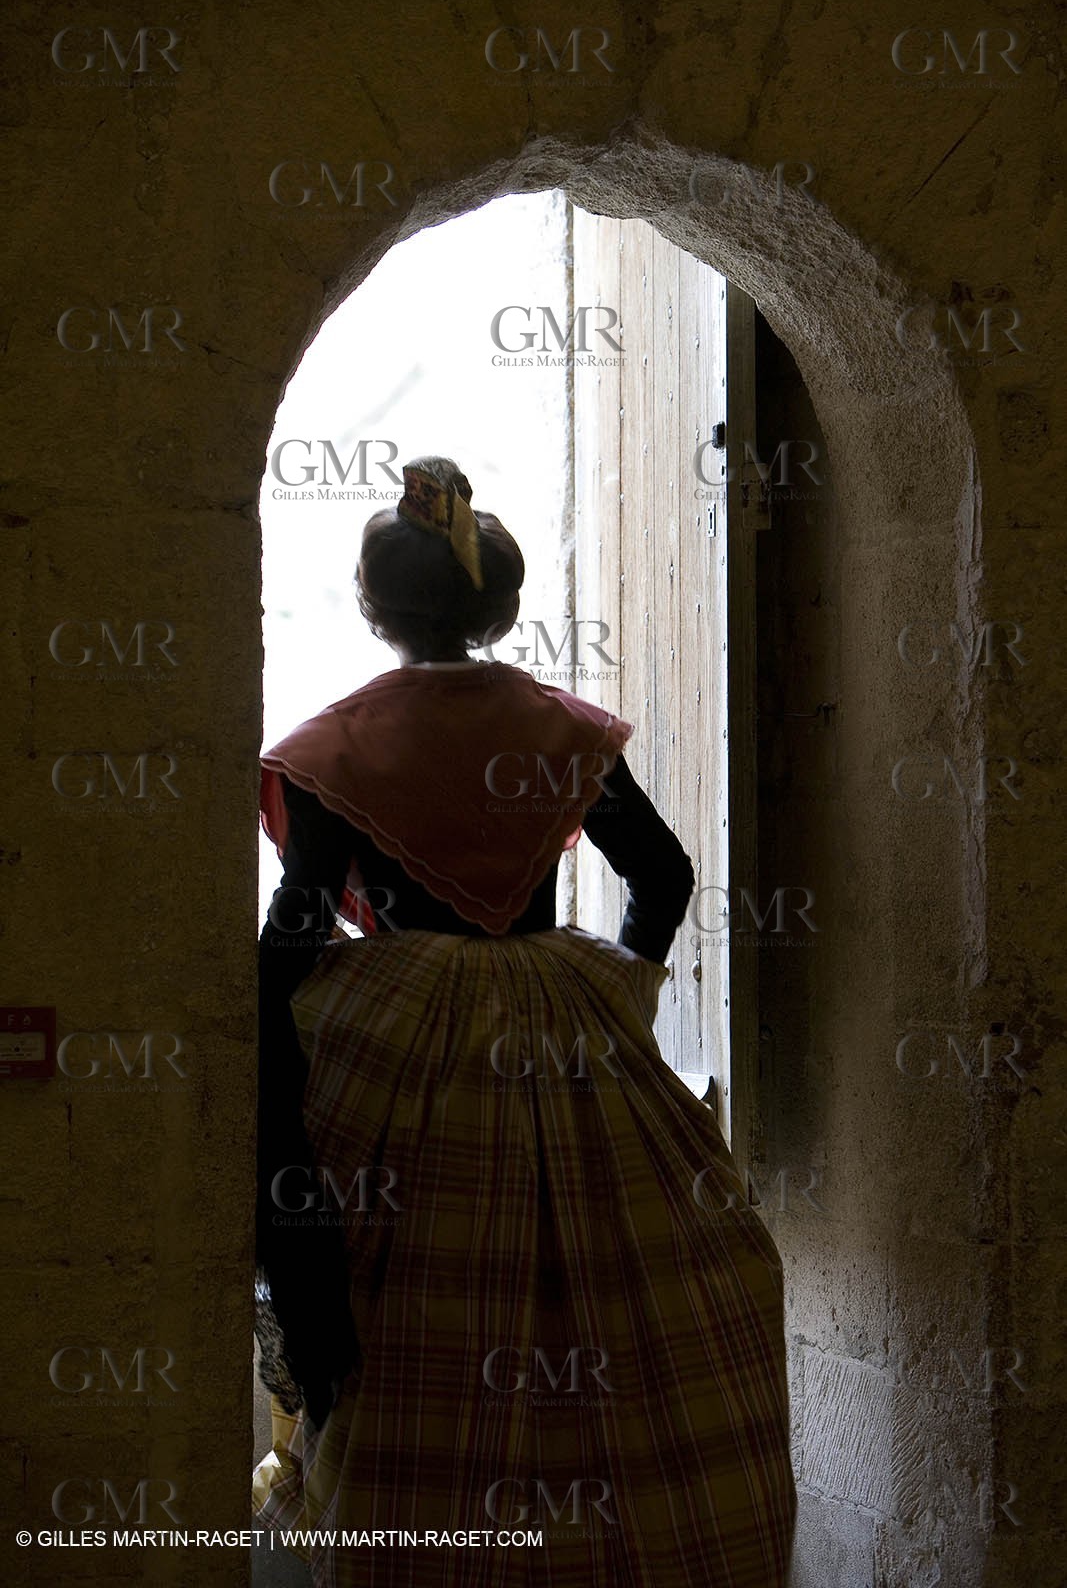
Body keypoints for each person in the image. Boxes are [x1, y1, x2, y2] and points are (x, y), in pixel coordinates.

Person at [252, 456, 796, 1587]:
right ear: (498, 607)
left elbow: (294, 930)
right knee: (624, 1308)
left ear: (373, 608)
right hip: (565, 1033)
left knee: (424, 1324)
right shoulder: (558, 730)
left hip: (405, 1052)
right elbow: (662, 873)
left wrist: (295, 1046)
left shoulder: (331, 749)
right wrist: (616, 988)